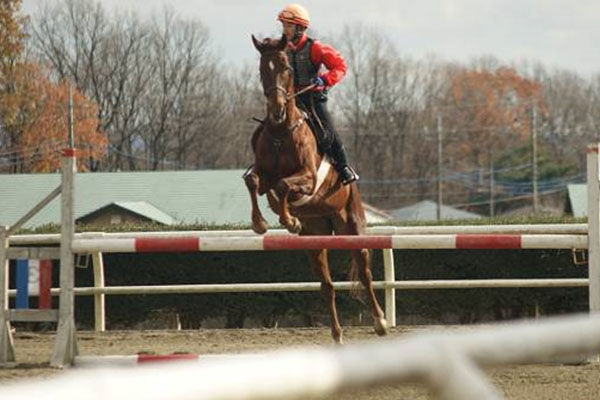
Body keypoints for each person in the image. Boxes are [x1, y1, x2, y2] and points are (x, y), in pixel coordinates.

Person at [277, 3, 359, 185]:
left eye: (289, 26)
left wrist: (325, 79)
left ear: (300, 28)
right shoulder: (281, 48)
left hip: (313, 98)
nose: (285, 29)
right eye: (283, 25)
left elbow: (340, 66)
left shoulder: (316, 48)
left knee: (327, 132)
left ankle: (343, 167)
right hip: (291, 99)